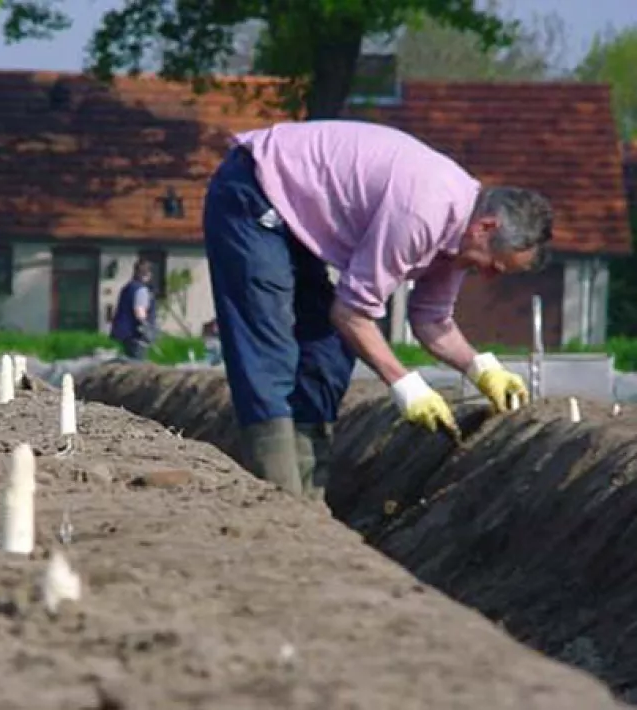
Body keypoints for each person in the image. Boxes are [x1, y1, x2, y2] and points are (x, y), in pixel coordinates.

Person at [203, 119, 552, 499]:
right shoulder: (423, 212)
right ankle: (278, 498)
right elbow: (351, 314)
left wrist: (481, 368)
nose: (487, 278)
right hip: (256, 189)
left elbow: (431, 319)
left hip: (296, 215)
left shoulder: (460, 238)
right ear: (485, 227)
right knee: (270, 350)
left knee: (328, 355)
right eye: (493, 266)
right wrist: (405, 384)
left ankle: (307, 502)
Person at [110, 259, 157, 360]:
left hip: (123, 332)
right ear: (147, 274)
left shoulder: (127, 288)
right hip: (135, 335)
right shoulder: (141, 290)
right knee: (137, 362)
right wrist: (147, 329)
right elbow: (139, 312)